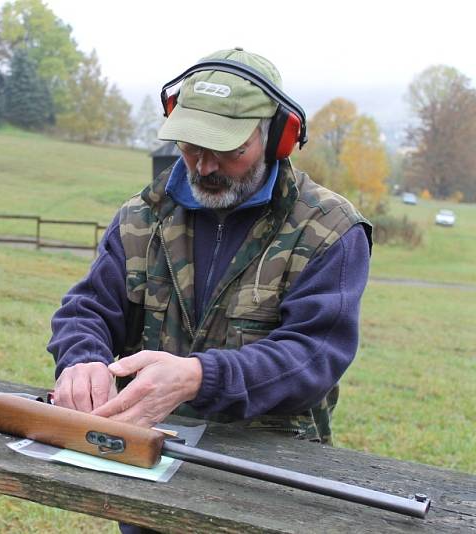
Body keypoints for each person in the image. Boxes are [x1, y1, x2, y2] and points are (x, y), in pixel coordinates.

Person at [48, 47, 373, 449]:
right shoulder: (141, 216)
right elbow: (89, 308)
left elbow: (314, 357)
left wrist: (199, 377)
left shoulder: (329, 229)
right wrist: (82, 360)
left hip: (268, 468)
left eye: (226, 149)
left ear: (276, 137)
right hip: (143, 449)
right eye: (190, 146)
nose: (204, 166)